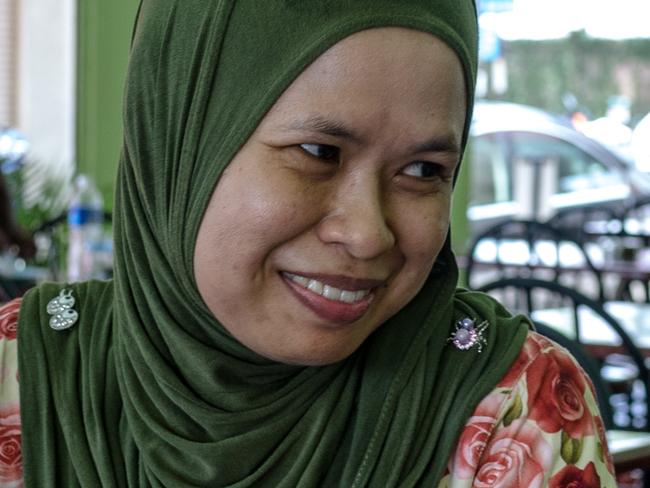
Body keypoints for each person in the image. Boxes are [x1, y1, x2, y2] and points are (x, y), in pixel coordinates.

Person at [0, 1, 615, 486]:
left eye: (425, 170)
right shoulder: (17, 380)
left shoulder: (514, 411)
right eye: (319, 154)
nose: (369, 233)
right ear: (179, 146)